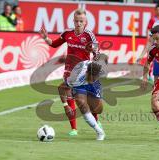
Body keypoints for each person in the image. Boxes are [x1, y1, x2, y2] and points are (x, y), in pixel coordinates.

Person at [39, 8, 100, 136]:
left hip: (84, 71)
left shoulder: (89, 35)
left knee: (87, 100)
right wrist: (45, 38)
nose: (78, 24)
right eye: (77, 21)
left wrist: (95, 59)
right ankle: (74, 129)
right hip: (69, 70)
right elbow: (54, 44)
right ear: (73, 21)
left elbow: (96, 51)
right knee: (67, 95)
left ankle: (96, 121)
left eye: (81, 21)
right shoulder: (67, 33)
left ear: (85, 22)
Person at [66, 54, 108, 140]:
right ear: (87, 73)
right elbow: (63, 88)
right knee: (82, 104)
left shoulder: (100, 70)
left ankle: (94, 119)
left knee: (98, 110)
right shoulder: (76, 76)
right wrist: (65, 104)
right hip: (80, 85)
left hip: (93, 85)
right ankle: (99, 132)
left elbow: (104, 57)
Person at [138, 2, 159, 80]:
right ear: (155, 10)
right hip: (153, 42)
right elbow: (148, 29)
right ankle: (147, 74)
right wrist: (147, 39)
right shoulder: (153, 19)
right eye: (158, 10)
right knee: (149, 59)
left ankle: (158, 74)